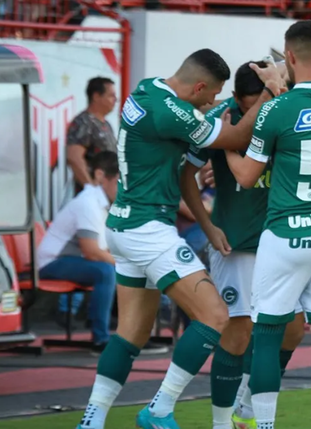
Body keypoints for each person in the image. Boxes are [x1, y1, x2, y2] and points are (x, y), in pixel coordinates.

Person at [76, 48, 283, 429]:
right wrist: (271, 91)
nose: (211, 101)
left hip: (123, 225)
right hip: (147, 230)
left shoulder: (147, 89)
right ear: (200, 85)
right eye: (210, 94)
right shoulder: (172, 112)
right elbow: (238, 133)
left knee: (131, 334)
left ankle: (91, 420)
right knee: (216, 316)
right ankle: (159, 409)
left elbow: (188, 125)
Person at [223, 20, 311, 429]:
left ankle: (262, 425)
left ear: (291, 57)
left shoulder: (276, 109)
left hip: (286, 237)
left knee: (266, 336)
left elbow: (247, 177)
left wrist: (230, 147)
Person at [181, 61, 306, 429]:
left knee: (294, 327)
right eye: (255, 104)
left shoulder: (285, 107)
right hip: (235, 242)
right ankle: (222, 423)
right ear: (237, 100)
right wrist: (206, 225)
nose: (262, 112)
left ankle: (246, 407)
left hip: (281, 239)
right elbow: (185, 174)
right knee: (239, 331)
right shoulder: (219, 119)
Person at [38, 151, 118, 351]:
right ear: (101, 177)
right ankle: (100, 338)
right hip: (52, 262)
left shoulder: (103, 203)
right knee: (105, 271)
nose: (126, 189)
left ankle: (130, 334)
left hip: (73, 260)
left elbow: (104, 248)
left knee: (124, 268)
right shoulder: (88, 203)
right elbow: (92, 252)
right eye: (120, 182)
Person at [67, 77, 118, 193]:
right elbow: (74, 157)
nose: (115, 100)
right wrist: (91, 189)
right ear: (96, 96)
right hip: (92, 196)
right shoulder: (83, 122)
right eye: (111, 96)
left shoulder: (106, 124)